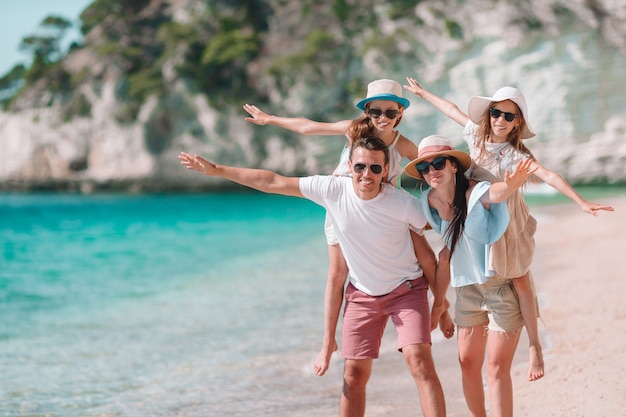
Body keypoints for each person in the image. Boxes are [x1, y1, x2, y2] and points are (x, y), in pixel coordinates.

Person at [179, 136, 447, 417]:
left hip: (406, 290)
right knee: (353, 375)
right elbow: (272, 181)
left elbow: (443, 224)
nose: (366, 174)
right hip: (362, 294)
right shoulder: (332, 189)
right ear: (349, 166)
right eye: (359, 167)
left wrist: (442, 300)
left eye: (375, 169)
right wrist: (218, 170)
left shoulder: (402, 203)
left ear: (385, 170)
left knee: (419, 362)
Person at [404, 78, 615, 383]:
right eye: (495, 113)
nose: (500, 120)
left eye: (509, 116)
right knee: (470, 264)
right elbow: (451, 109)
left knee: (519, 279)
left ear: (517, 123)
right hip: (475, 211)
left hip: (508, 217)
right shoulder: (475, 135)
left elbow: (549, 175)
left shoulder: (518, 156)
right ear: (488, 115)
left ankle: (534, 345)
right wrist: (423, 93)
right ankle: (478, 313)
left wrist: (580, 201)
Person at [243, 79, 454, 377]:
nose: (383, 118)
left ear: (400, 115)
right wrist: (269, 119)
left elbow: (432, 164)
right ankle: (328, 342)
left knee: (426, 257)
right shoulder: (354, 130)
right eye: (376, 111)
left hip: (386, 211)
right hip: (342, 208)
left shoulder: (402, 144)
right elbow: (307, 126)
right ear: (367, 111)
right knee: (336, 274)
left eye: (390, 112)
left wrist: (463, 184)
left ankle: (440, 306)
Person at [404, 134, 537, 417]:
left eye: (438, 163)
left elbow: (495, 193)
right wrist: (439, 304)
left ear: (454, 166)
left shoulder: (474, 191)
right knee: (467, 363)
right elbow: (444, 255)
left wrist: (512, 184)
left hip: (500, 286)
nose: (431, 171)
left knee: (496, 368)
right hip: (466, 290)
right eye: (425, 168)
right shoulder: (427, 201)